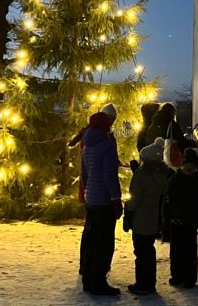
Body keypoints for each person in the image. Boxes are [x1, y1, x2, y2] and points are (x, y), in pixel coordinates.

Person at [80, 103, 123, 296]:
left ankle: (88, 276)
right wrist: (116, 198)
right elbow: (109, 175)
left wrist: (88, 191)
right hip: (104, 199)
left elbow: (85, 172)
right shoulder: (106, 144)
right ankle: (98, 280)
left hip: (91, 197)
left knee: (91, 237)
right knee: (104, 242)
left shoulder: (87, 144)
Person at [124, 137, 168, 296]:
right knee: (149, 251)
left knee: (141, 252)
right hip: (155, 218)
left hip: (141, 218)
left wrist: (127, 209)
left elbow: (135, 198)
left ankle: (142, 284)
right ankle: (150, 282)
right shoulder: (163, 173)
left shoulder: (141, 175)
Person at [166, 148, 198, 289]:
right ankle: (177, 275)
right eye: (187, 166)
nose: (190, 170)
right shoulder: (174, 181)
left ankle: (190, 277)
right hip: (176, 221)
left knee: (189, 251)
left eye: (192, 167)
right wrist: (168, 218)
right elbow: (168, 201)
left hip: (191, 222)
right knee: (176, 251)